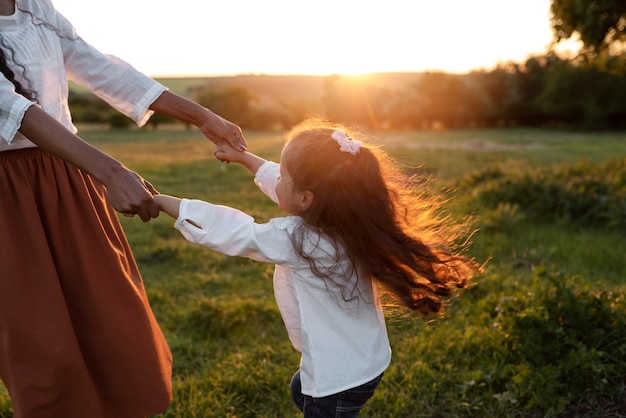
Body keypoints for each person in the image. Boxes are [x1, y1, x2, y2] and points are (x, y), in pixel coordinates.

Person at [0, 0, 247, 416]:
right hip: (9, 196)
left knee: (111, 315)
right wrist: (111, 172)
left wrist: (202, 115)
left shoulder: (34, 7)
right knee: (41, 338)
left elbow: (101, 67)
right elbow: (13, 111)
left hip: (65, 176)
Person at [154, 118, 478, 417]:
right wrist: (245, 158)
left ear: (308, 199)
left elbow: (236, 232)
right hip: (367, 359)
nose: (277, 179)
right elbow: (286, 188)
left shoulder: (301, 240)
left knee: (312, 399)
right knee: (301, 390)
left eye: (284, 176)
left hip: (336, 380)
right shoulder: (349, 220)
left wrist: (161, 201)